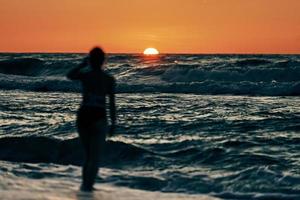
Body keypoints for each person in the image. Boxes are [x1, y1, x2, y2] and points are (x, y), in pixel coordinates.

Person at [67, 47, 116, 192]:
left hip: (84, 114)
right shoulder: (109, 79)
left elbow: (70, 75)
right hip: (98, 115)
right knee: (95, 157)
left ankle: (85, 185)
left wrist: (82, 65)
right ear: (103, 60)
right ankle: (89, 187)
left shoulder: (86, 76)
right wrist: (114, 122)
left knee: (88, 156)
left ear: (90, 60)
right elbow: (112, 103)